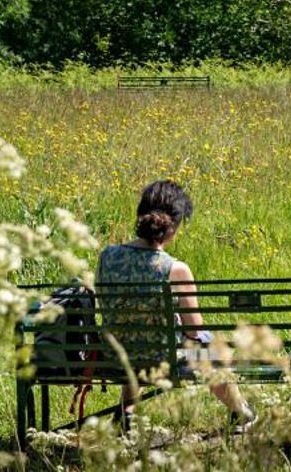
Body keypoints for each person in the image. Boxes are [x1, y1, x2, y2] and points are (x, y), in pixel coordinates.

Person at [96, 179, 255, 432]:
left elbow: (107, 307)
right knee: (209, 350)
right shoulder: (175, 269)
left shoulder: (107, 255)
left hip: (115, 356)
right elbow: (193, 332)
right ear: (173, 226)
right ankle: (242, 412)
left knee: (135, 334)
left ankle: (128, 413)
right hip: (162, 359)